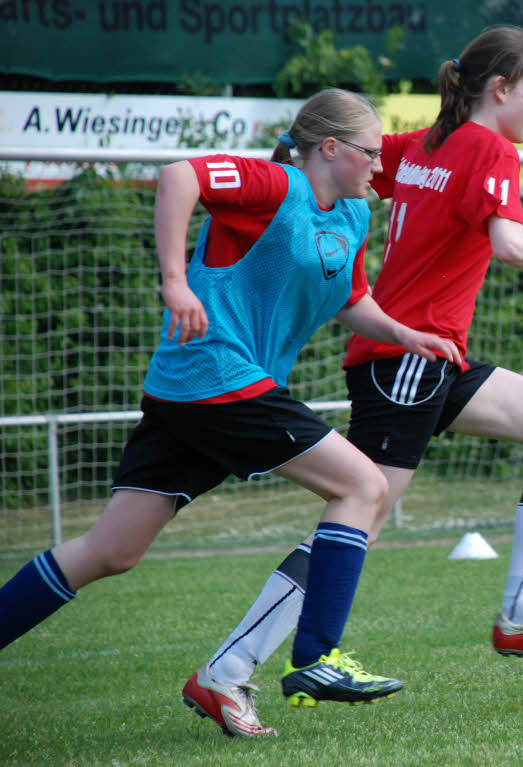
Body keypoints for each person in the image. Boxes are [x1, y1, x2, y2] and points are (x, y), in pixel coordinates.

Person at [183, 25, 523, 737]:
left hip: (434, 358)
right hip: (406, 360)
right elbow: (509, 243)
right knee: (357, 514)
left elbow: (311, 171)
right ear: (501, 90)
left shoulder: (422, 145)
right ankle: (228, 669)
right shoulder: (488, 147)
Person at [0, 87, 462, 736]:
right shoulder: (273, 183)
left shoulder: (352, 216)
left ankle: (224, 680)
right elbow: (178, 176)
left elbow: (351, 300)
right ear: (329, 149)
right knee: (363, 484)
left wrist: (407, 334)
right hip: (216, 375)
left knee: (111, 550)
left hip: (203, 391)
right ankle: (318, 656)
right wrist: (173, 279)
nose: (377, 166)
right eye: (367, 152)